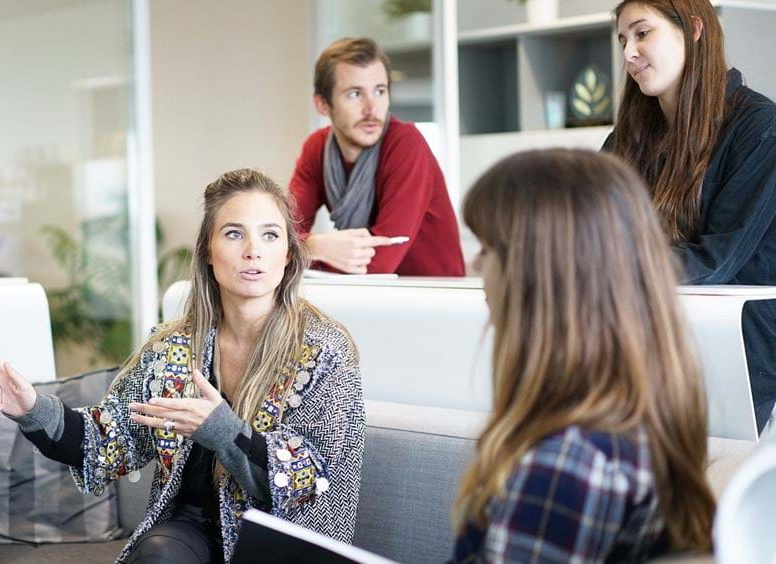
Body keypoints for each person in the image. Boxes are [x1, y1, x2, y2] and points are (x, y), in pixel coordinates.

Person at [0, 168, 365, 563]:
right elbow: (109, 439)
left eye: (270, 235)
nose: (252, 250)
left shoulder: (325, 349)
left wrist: (222, 431)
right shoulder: (172, 346)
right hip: (190, 533)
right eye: (233, 233)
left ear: (288, 253)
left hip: (281, 539)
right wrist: (33, 410)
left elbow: (310, 482)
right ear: (208, 250)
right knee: (158, 554)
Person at [452, 149, 715, 562]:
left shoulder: (568, 464)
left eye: (488, 249)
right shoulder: (635, 421)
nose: (474, 265)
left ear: (539, 273)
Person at [605, 0, 776, 432]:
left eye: (643, 33)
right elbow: (592, 230)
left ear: (695, 30)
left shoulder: (759, 127)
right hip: (647, 339)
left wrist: (602, 271)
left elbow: (716, 258)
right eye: (624, 39)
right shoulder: (628, 138)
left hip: (738, 351)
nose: (628, 52)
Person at [289, 37, 464, 276]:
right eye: (354, 94)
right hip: (369, 297)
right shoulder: (317, 148)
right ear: (323, 105)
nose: (372, 109)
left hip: (433, 298)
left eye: (380, 91)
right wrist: (315, 246)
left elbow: (379, 264)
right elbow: (280, 236)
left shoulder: (406, 144)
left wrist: (302, 250)